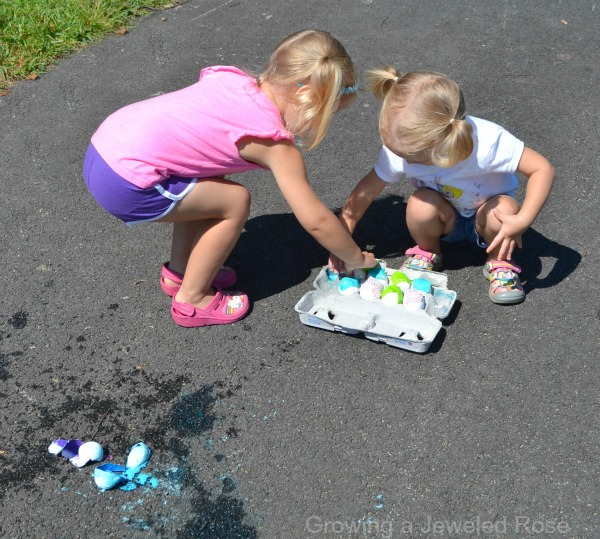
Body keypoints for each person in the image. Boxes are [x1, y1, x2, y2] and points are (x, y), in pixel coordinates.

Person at [84, 29, 376, 327]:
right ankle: (192, 299)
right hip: (126, 180)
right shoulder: (273, 143)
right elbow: (316, 220)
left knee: (210, 185)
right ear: (306, 96)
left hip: (106, 144)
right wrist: (355, 257)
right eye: (322, 114)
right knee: (235, 201)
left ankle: (181, 273)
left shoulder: (233, 82)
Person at [330, 67, 555, 304]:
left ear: (439, 144)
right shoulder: (402, 149)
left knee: (503, 208)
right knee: (419, 204)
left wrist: (522, 220)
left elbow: (543, 169)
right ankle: (428, 250)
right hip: (445, 217)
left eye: (410, 156)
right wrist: (341, 238)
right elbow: (366, 192)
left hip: (487, 216)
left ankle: (499, 261)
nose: (401, 160)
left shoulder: (487, 142)